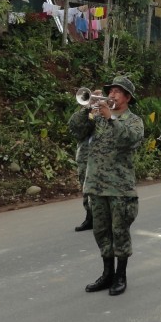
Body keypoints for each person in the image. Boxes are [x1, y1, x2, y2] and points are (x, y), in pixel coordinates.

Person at [83, 76, 145, 296]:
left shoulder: (133, 120)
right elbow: (76, 130)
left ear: (127, 97)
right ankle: (107, 273)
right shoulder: (96, 117)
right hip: (97, 186)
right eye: (110, 91)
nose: (112, 94)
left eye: (118, 91)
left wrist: (111, 119)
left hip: (120, 187)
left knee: (119, 232)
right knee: (101, 232)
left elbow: (131, 139)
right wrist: (86, 109)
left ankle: (121, 276)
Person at [69, 97, 95, 232]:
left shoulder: (107, 114)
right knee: (85, 188)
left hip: (101, 160)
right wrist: (87, 108)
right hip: (85, 158)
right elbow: (74, 126)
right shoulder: (86, 115)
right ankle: (89, 217)